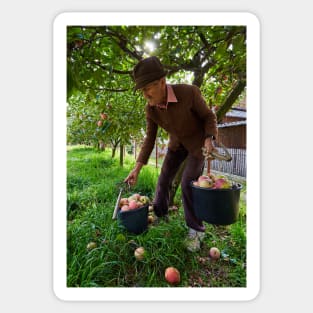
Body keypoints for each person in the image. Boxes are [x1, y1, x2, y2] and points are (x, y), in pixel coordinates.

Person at [124, 56, 218, 252]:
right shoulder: (151, 109)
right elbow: (150, 139)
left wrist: (209, 138)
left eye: (147, 88)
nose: (145, 94)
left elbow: (209, 116)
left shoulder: (189, 93)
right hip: (177, 145)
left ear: (162, 82)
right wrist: (137, 167)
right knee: (164, 179)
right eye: (142, 90)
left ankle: (196, 230)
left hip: (197, 145)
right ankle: (160, 214)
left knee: (188, 184)